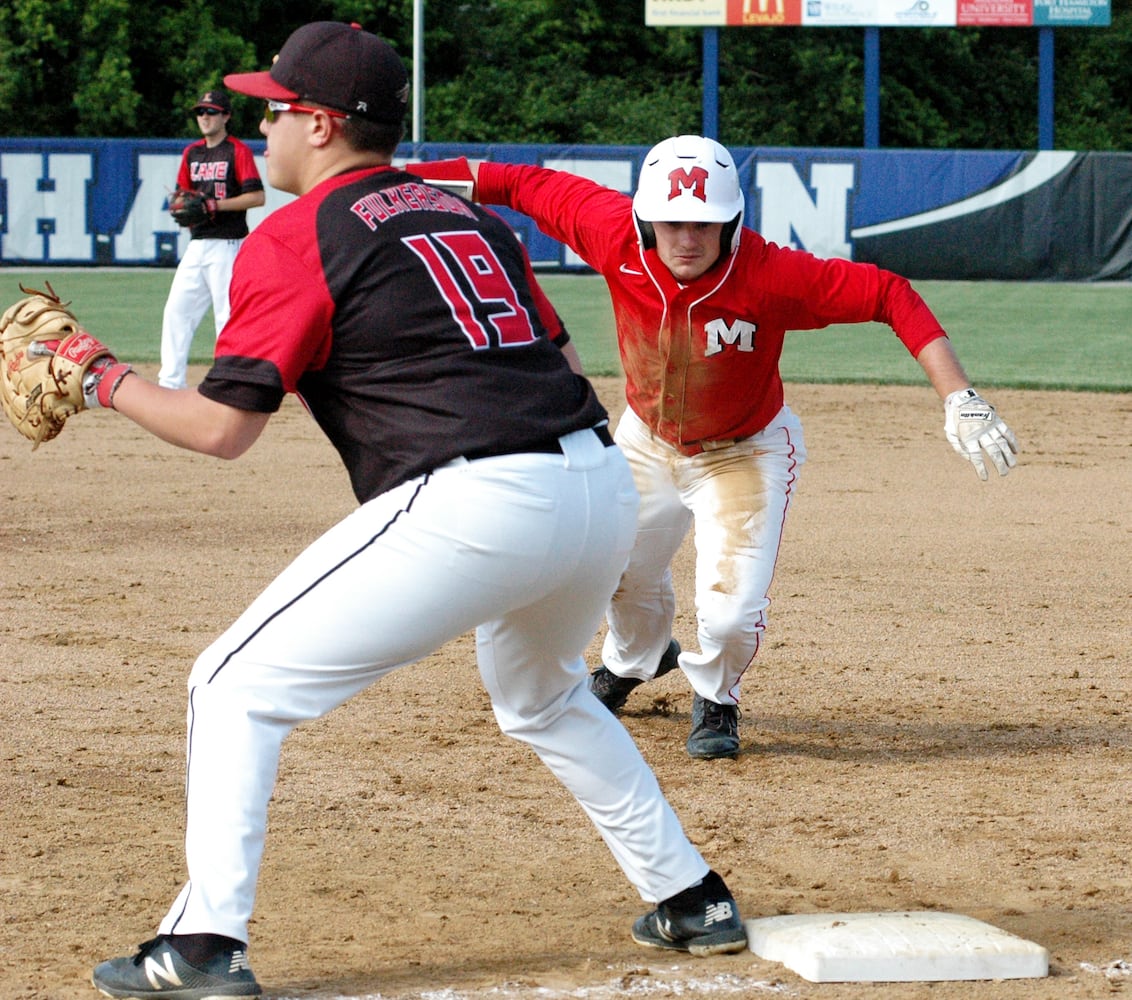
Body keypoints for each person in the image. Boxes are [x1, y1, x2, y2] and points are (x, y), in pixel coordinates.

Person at [88, 26, 747, 1000]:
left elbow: (223, 430)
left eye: (275, 109)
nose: (263, 128)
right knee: (545, 696)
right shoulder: (465, 215)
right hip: (598, 479)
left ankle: (200, 945)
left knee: (231, 684)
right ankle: (691, 897)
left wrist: (101, 378)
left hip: (479, 500)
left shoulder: (298, 232)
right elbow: (558, 366)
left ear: (317, 125)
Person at [411, 135, 1019, 761]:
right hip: (647, 440)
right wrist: (379, 178)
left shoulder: (772, 274)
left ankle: (718, 696)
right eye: (672, 222)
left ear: (731, 221)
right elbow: (504, 181)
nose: (687, 239)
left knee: (729, 615)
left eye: (705, 223)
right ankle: (637, 661)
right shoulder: (611, 231)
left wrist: (959, 396)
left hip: (745, 450)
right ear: (647, 217)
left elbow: (889, 294)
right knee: (615, 573)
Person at [157, 88, 265, 389]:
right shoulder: (191, 153)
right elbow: (181, 195)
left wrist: (215, 205)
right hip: (198, 244)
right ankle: (170, 383)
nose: (204, 117)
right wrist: (181, 206)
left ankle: (229, 383)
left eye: (211, 112)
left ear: (226, 116)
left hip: (229, 244)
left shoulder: (237, 151)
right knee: (177, 311)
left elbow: (257, 197)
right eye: (200, 112)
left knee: (226, 317)